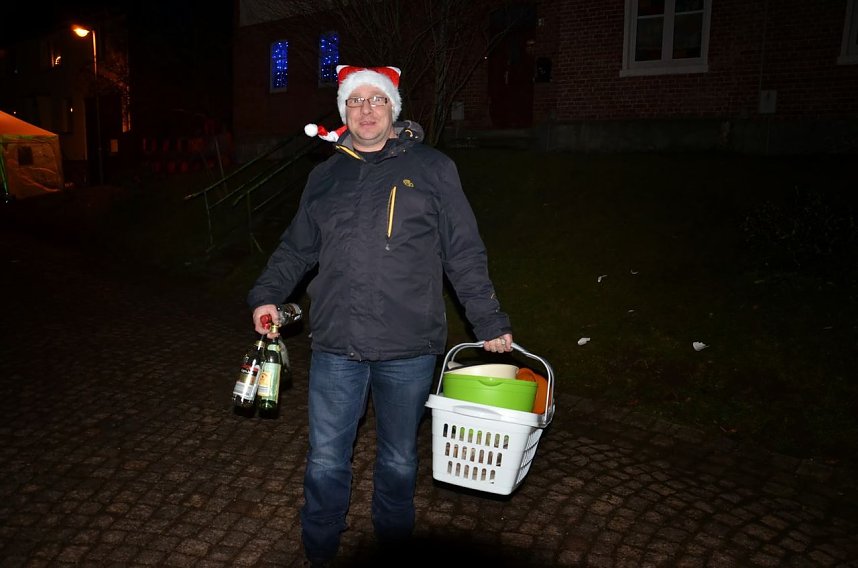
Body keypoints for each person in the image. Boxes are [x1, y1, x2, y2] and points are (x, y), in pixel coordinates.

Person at [247, 65, 513, 566]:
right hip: (335, 342)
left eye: (376, 100)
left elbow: (463, 252)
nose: (365, 110)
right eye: (355, 101)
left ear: (393, 109)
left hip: (408, 345)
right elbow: (296, 250)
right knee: (326, 459)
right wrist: (266, 294)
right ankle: (320, 549)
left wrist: (489, 321)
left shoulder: (433, 168)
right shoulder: (325, 175)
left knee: (398, 457)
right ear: (343, 111)